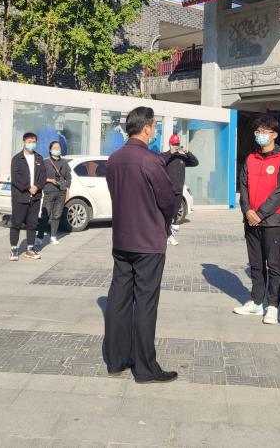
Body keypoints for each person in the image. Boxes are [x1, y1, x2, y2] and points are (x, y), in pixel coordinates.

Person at [104, 106, 177, 383]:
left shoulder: (114, 159)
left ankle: (116, 360)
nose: (155, 131)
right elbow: (167, 200)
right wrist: (165, 223)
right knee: (145, 303)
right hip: (148, 240)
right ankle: (145, 368)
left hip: (122, 238)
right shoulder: (150, 160)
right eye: (154, 126)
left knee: (118, 300)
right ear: (146, 128)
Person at [234, 115, 280, 325]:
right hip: (250, 220)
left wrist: (260, 213)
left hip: (272, 221)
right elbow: (243, 186)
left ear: (274, 134)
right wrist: (248, 211)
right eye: (257, 131)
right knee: (256, 264)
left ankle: (273, 306)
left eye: (264, 131)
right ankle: (256, 301)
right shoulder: (250, 158)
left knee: (274, 265)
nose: (260, 135)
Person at [9, 132, 46, 261]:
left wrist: (37, 186)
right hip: (20, 196)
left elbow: (43, 176)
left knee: (32, 223)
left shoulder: (39, 158)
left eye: (34, 142)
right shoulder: (17, 158)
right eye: (29, 141)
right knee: (16, 223)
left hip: (35, 197)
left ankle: (30, 248)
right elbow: (15, 177)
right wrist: (27, 187)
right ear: (23, 142)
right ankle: (14, 248)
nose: (32, 144)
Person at [161, 134, 199, 246]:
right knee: (167, 215)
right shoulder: (165, 156)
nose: (175, 146)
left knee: (173, 215)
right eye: (174, 144)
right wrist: (170, 153)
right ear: (169, 144)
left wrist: (187, 152)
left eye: (177, 144)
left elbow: (195, 162)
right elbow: (160, 162)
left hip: (178, 191)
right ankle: (168, 235)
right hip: (167, 191)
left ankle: (168, 233)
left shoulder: (181, 157)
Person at [37, 141, 71, 246]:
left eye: (59, 148)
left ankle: (53, 236)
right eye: (55, 148)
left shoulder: (64, 162)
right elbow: (40, 177)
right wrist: (50, 180)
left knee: (57, 214)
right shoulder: (45, 162)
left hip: (61, 192)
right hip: (49, 191)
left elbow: (68, 177)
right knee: (45, 215)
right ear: (50, 150)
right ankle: (40, 237)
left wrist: (67, 190)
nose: (57, 149)